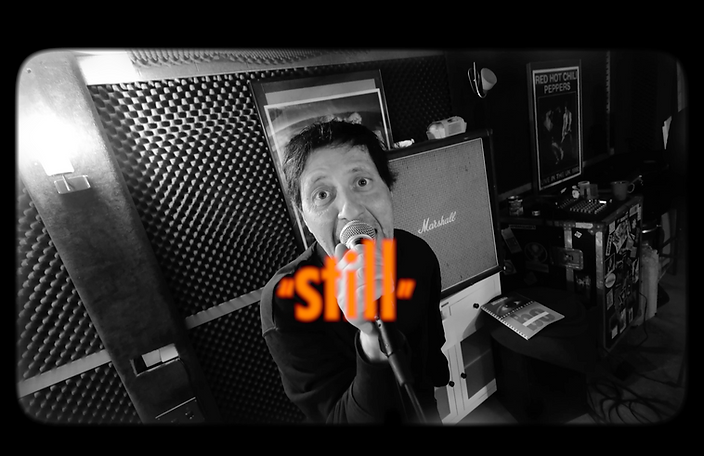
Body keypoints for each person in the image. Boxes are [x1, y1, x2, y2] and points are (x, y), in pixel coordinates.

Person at [260, 120, 449, 424]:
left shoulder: (418, 254)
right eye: (322, 194)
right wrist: (372, 340)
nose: (350, 210)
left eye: (361, 182)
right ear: (304, 218)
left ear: (389, 189)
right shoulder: (285, 301)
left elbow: (431, 347)